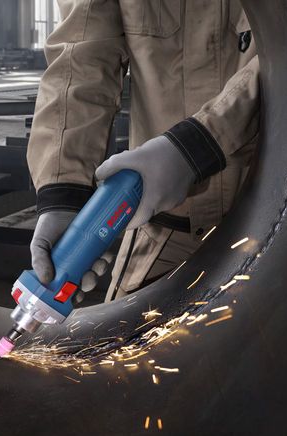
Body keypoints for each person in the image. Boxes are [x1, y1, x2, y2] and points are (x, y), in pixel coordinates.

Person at [27, 0, 261, 301]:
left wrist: (198, 145)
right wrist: (63, 191)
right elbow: (81, 57)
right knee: (122, 342)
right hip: (164, 228)